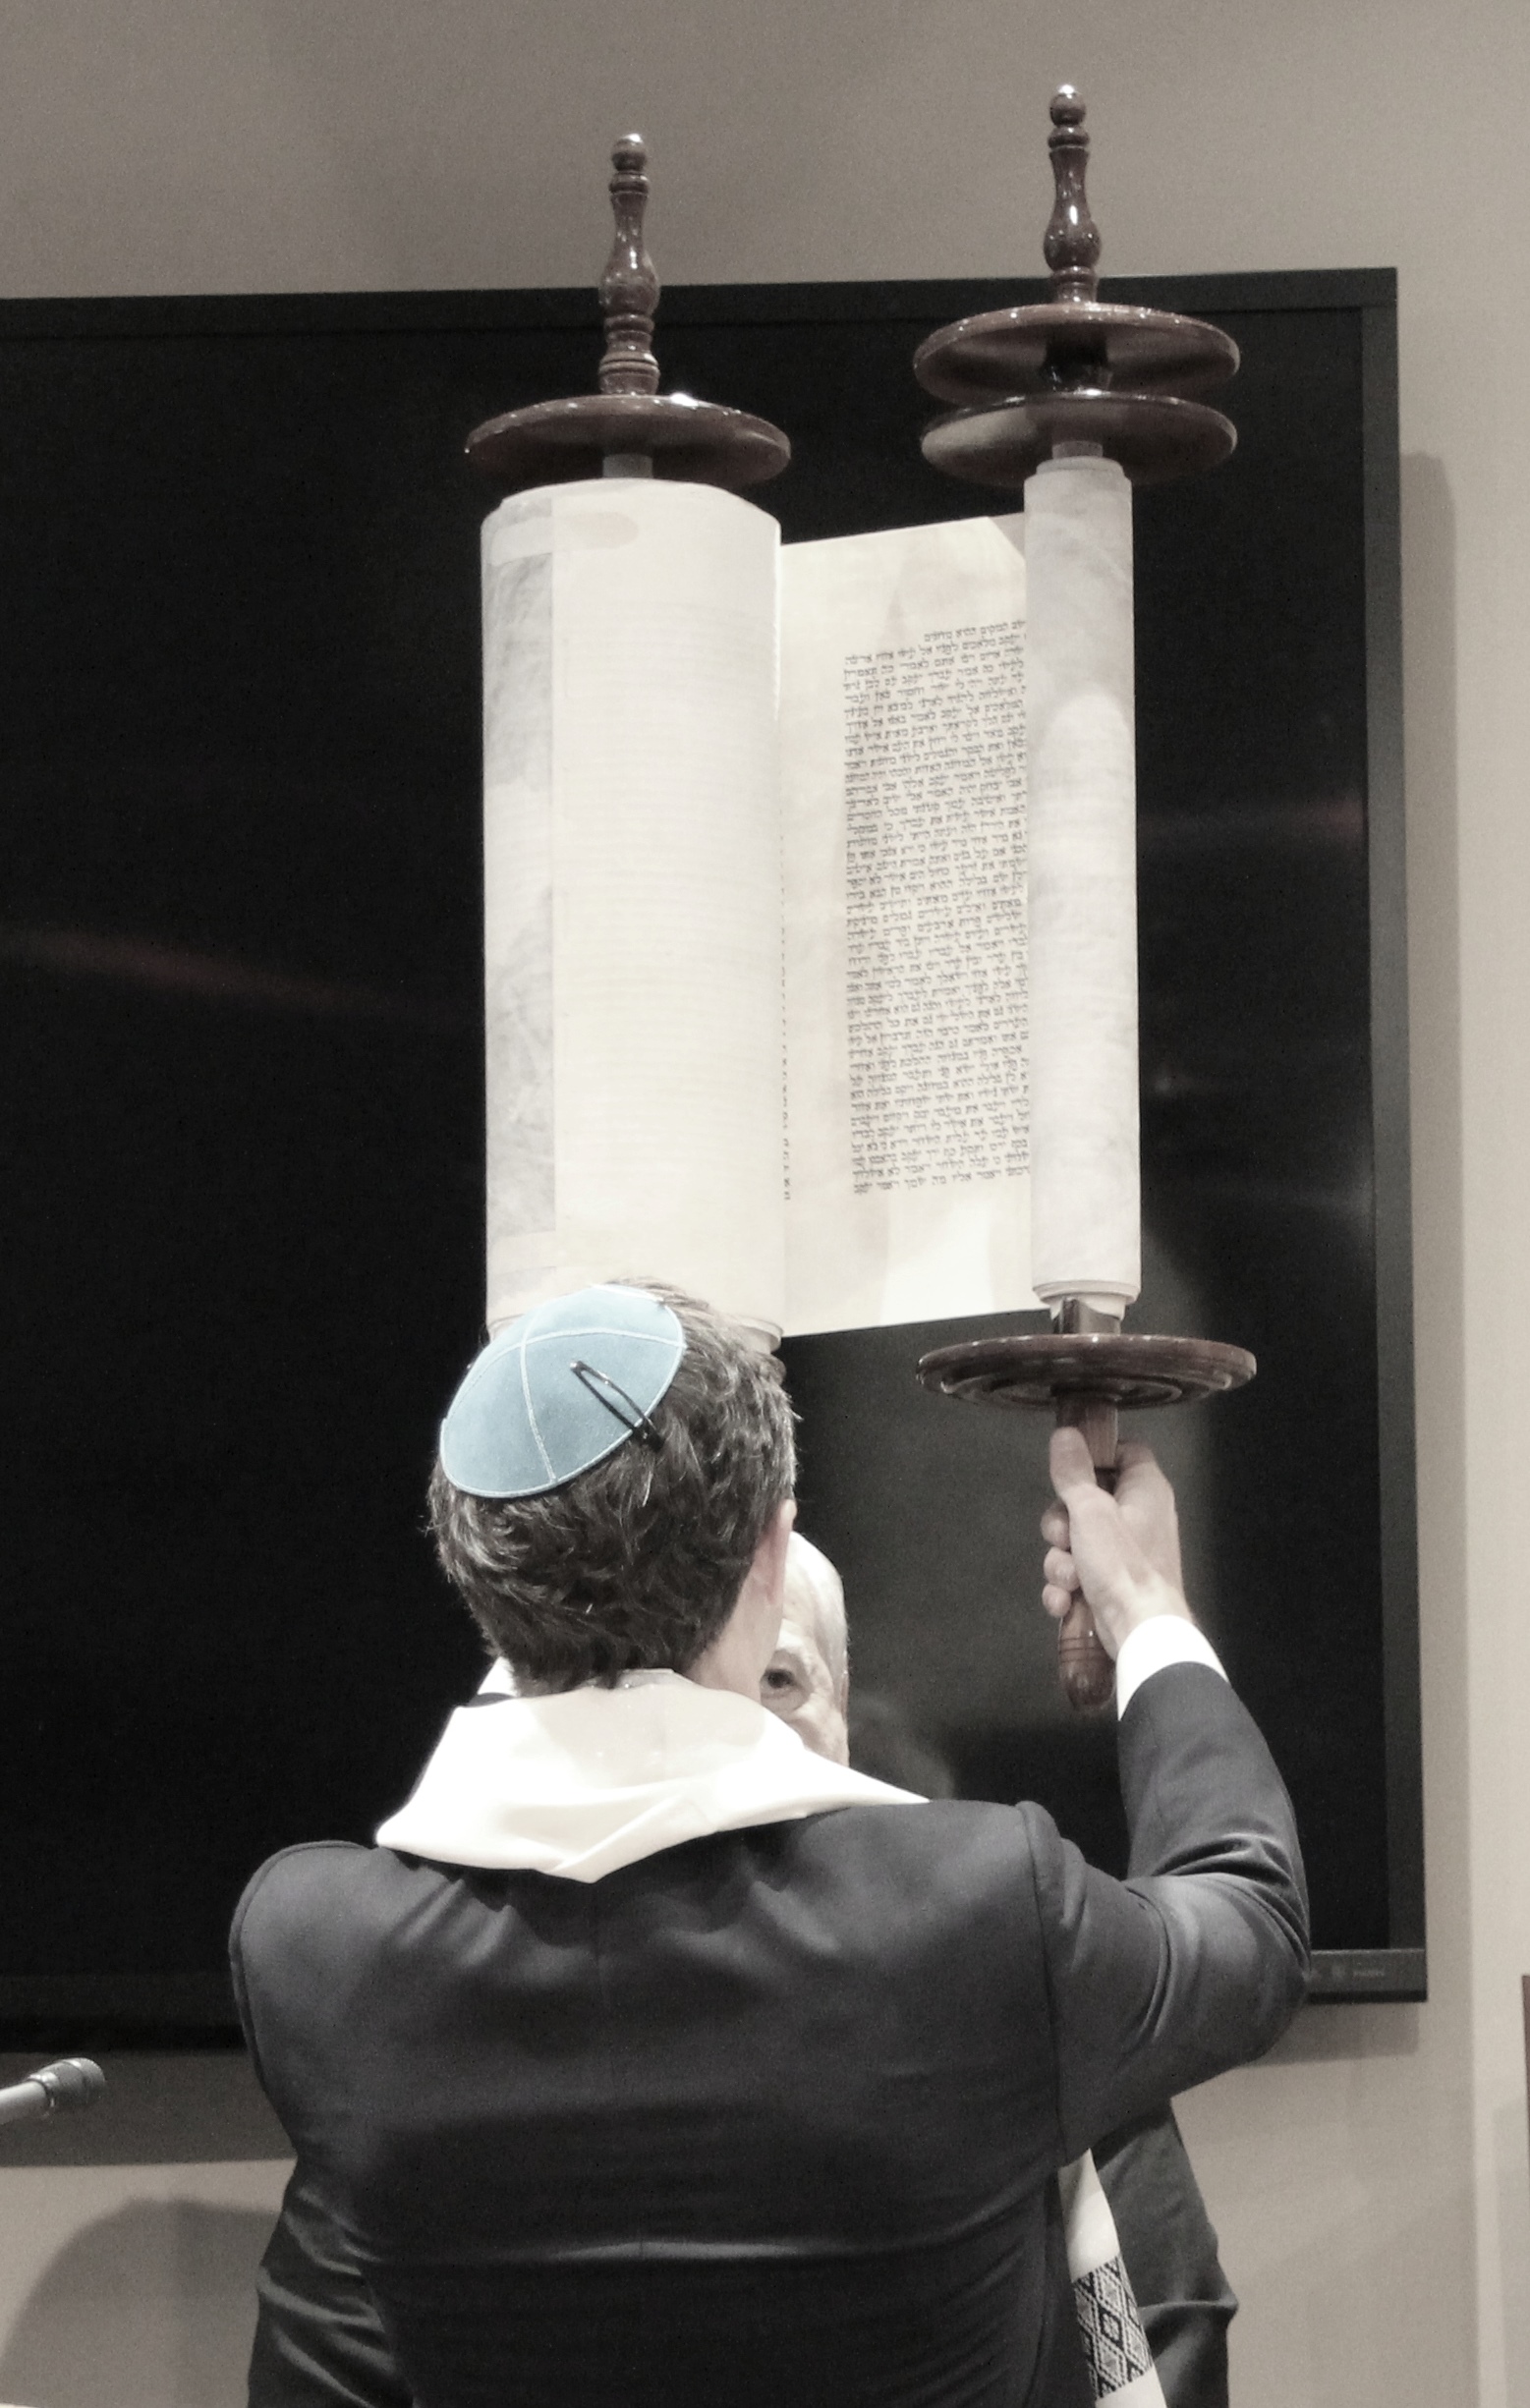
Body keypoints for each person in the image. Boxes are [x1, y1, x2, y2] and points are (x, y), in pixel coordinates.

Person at [234, 1281, 1307, 2408]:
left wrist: (557, 1596)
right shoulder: (981, 1919)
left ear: (475, 1573)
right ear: (768, 1552)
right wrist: (1143, 1605)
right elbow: (1248, 1908)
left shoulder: (314, 1957)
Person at [761, 1534, 1238, 2408]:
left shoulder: (1030, 2003)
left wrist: (1143, 1608)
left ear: (841, 1713)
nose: (744, 1732)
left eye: (779, 1680)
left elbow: (1159, 2342)